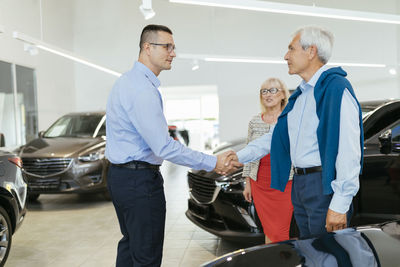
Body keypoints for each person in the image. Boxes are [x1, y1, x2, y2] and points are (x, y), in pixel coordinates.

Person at [105, 24, 241, 267]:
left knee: (131, 244)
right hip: (139, 182)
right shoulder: (142, 89)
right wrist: (213, 161)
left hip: (121, 178)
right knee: (146, 254)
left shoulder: (126, 81)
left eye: (173, 47)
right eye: (167, 46)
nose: (173, 53)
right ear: (147, 47)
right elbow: (164, 147)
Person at [232, 26, 364, 239]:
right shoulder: (301, 96)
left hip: (323, 185)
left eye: (291, 49)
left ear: (311, 51)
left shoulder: (336, 88)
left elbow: (349, 149)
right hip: (300, 185)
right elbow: (277, 137)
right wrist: (237, 156)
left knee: (328, 254)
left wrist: (340, 203)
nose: (286, 56)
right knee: (310, 251)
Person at [242, 77, 293, 243]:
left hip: (285, 181)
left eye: (273, 90)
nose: (268, 94)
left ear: (283, 95)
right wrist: (248, 182)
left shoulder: (290, 118)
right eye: (264, 91)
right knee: (269, 228)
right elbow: (250, 152)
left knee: (281, 229)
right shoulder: (255, 121)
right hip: (260, 182)